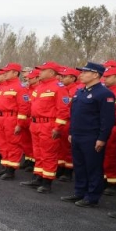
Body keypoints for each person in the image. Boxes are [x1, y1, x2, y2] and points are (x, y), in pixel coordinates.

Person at [60, 62, 115, 208]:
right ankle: (80, 192)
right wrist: (71, 132)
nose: (81, 74)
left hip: (92, 136)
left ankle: (92, 196)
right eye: (82, 72)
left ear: (96, 75)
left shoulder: (105, 94)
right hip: (77, 134)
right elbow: (74, 114)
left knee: (93, 167)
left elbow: (107, 120)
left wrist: (102, 138)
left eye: (85, 72)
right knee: (79, 166)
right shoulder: (80, 92)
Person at [21, 62, 70, 194]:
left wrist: (57, 128)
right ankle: (38, 177)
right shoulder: (39, 87)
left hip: (48, 125)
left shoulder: (59, 87)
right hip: (36, 124)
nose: (40, 72)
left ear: (52, 72)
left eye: (43, 70)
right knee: (38, 153)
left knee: (48, 154)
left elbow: (63, 110)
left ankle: (47, 182)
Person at [0, 63, 29, 180]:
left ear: (15, 73)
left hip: (11, 119)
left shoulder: (20, 87)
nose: (5, 73)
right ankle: (5, 166)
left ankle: (11, 170)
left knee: (13, 144)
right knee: (3, 144)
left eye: (8, 71)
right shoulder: (3, 87)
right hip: (1, 118)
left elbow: (24, 107)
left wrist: (19, 124)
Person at [101, 67, 116, 196]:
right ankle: (104, 179)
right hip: (103, 127)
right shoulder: (105, 91)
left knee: (113, 156)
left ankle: (112, 183)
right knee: (102, 155)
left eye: (108, 77)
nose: (105, 79)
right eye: (104, 77)